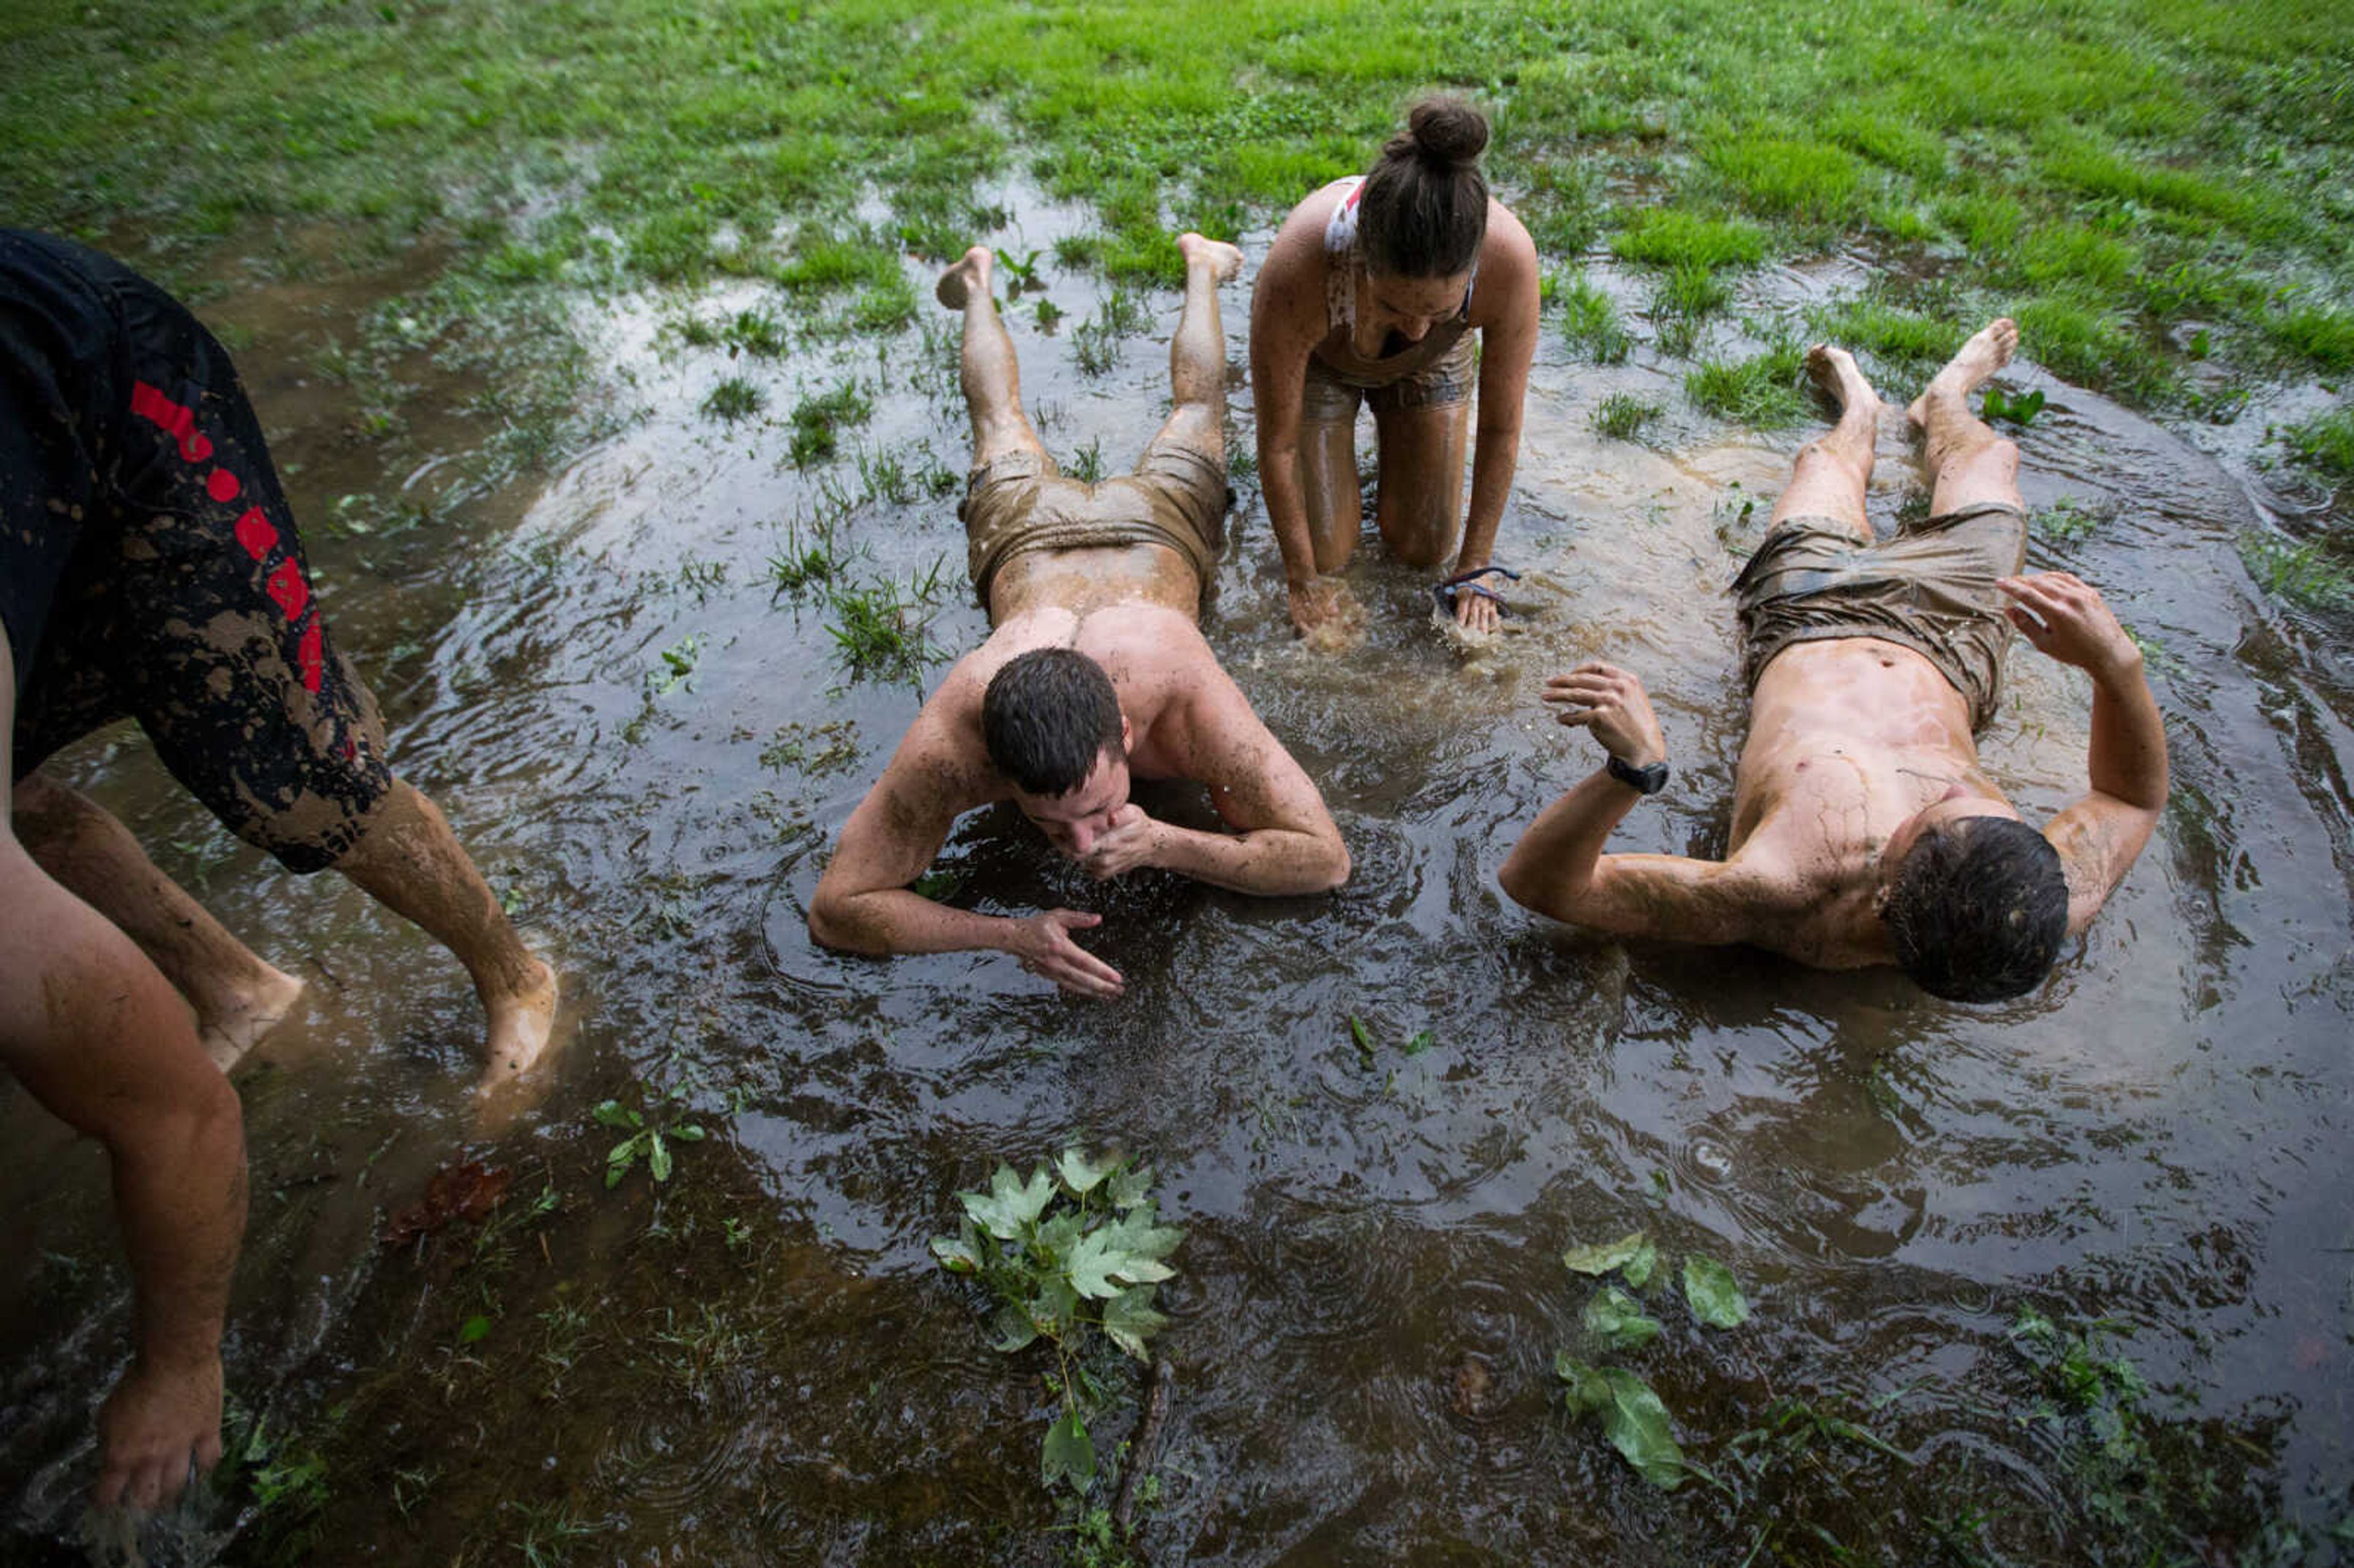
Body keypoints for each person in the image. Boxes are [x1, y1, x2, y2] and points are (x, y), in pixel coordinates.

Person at [1, 229, 560, 1507]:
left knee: (294, 768)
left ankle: (517, 972)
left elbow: (175, 1119)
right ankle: (240, 988)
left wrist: (177, 1364)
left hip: (95, 378)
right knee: (23, 797)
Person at [1499, 320, 2168, 1000]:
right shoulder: (2047, 893)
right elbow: (2129, 797)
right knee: (1993, 463)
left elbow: (1542, 884)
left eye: (1935, 812)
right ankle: (1945, 397)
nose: (1961, 788)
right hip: (1956, 631)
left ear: (1885, 893)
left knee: (1824, 467)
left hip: (1807, 612)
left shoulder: (1780, 890)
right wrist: (2116, 663)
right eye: (1991, 810)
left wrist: (1632, 771)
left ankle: (1859, 413)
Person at [807, 236, 1350, 997]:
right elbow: (837, 909)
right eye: (1054, 826)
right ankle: (980, 277)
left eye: (1097, 811)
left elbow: (1326, 859)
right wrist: (1009, 935)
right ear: (995, 765)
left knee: (1184, 410)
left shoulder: (1182, 689)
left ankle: (1200, 265)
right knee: (1002, 419)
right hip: (1028, 537)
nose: (1083, 845)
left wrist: (1163, 840)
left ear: (1127, 734)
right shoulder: (960, 733)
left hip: (1154, 531)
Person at [1249, 96, 1541, 640]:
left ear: (1473, 269)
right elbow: (1278, 443)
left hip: (1431, 369)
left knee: (1425, 546)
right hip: (1325, 362)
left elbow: (1501, 429)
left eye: (1438, 310)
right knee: (1329, 554)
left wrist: (1475, 569)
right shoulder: (1302, 263)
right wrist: (1301, 577)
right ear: (1361, 258)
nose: (1413, 330)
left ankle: (1389, 460)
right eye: (1391, 306)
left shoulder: (1509, 263)